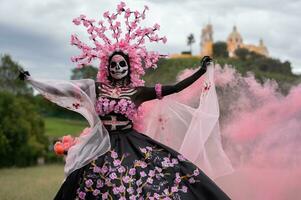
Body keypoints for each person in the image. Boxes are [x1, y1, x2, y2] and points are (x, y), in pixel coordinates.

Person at [20, 2, 232, 199]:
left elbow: (174, 88)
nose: (118, 68)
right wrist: (33, 80)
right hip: (100, 144)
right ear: (107, 66)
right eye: (114, 65)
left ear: (129, 67)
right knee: (84, 181)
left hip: (131, 142)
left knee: (153, 177)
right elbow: (64, 88)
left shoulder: (138, 92)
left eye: (122, 65)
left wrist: (201, 71)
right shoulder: (96, 87)